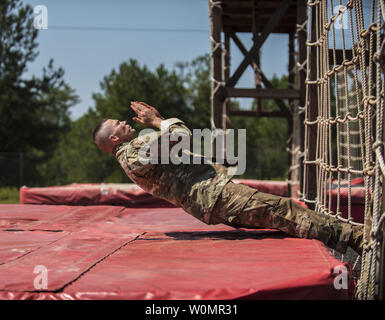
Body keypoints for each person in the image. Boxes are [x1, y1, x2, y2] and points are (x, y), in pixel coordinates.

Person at [93, 101, 363, 255]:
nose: (124, 122)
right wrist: (156, 120)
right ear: (114, 138)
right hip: (214, 196)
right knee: (283, 210)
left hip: (213, 198)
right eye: (117, 124)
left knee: (280, 215)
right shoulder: (135, 152)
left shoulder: (131, 153)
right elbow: (181, 135)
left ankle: (349, 237)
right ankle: (356, 237)